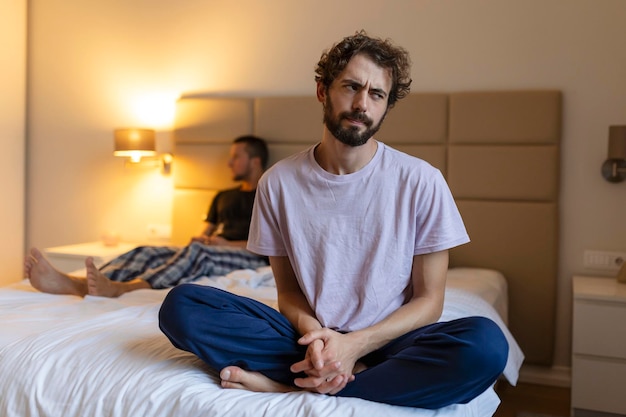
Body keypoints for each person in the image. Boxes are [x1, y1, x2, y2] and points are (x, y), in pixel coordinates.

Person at [158, 31, 508, 409]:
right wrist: (321, 338)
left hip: (390, 341)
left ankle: (290, 387)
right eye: (352, 87)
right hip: (306, 338)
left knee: (485, 345)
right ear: (323, 90)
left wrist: (356, 344)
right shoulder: (278, 182)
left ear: (386, 105)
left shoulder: (420, 180)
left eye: (377, 94)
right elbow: (289, 294)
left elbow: (429, 301)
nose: (362, 104)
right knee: (182, 306)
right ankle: (336, 373)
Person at [24, 135, 270, 298]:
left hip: (249, 255)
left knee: (198, 254)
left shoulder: (270, 194)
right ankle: (81, 281)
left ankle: (123, 288)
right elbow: (205, 232)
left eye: (236, 157)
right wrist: (201, 238)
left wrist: (225, 245)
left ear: (255, 161)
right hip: (213, 248)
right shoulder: (223, 195)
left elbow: (268, 247)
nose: (229, 163)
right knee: (147, 251)